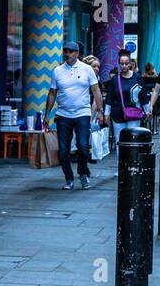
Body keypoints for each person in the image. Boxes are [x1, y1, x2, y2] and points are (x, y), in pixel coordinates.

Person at [43, 41, 104, 191]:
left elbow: (96, 91)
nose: (67, 54)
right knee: (63, 150)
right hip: (63, 115)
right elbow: (52, 94)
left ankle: (83, 173)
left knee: (83, 147)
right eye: (65, 51)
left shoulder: (87, 70)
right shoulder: (57, 71)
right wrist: (46, 115)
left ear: (77, 53)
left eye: (71, 51)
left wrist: (101, 111)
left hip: (82, 113)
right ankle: (69, 178)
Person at [104, 50, 144, 144]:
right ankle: (120, 159)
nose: (124, 66)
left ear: (130, 63)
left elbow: (143, 95)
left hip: (134, 112)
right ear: (119, 64)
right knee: (119, 141)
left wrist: (148, 110)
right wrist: (106, 113)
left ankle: (131, 159)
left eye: (126, 63)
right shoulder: (115, 79)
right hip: (118, 113)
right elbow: (109, 97)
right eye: (122, 64)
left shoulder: (137, 77)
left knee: (133, 140)